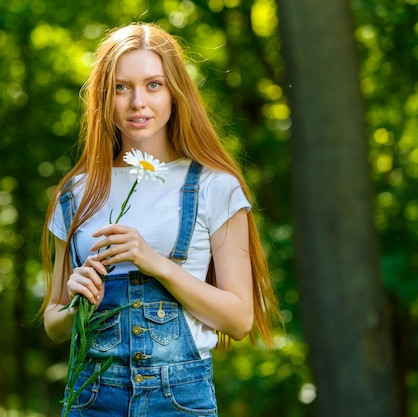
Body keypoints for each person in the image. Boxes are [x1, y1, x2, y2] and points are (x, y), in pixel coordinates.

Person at [39, 22, 281, 416]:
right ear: (103, 97)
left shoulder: (215, 187)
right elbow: (54, 322)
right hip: (91, 399)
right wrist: (73, 305)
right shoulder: (76, 193)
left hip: (179, 401)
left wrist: (155, 263)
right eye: (121, 87)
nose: (138, 102)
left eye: (154, 85)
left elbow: (239, 320)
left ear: (175, 93)